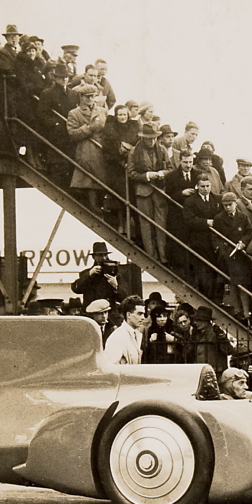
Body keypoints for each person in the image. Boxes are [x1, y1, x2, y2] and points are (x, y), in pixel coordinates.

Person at [127, 123, 171, 262]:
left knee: (161, 224)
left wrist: (162, 173)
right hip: (143, 191)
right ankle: (151, 256)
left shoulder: (162, 149)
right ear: (143, 138)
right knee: (146, 225)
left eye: (154, 138)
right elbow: (131, 173)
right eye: (148, 139)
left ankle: (163, 257)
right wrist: (146, 176)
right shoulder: (134, 151)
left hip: (159, 191)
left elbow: (170, 168)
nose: (152, 141)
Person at [212, 192, 252, 320]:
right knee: (233, 282)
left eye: (230, 205)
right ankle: (237, 310)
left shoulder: (243, 217)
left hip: (240, 254)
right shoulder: (219, 218)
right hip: (227, 255)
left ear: (236, 203)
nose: (227, 208)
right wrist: (221, 249)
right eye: (225, 205)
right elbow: (215, 236)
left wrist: (243, 243)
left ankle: (246, 311)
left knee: (242, 283)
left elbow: (249, 232)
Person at [66, 83, 109, 212]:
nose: (90, 99)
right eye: (87, 97)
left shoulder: (103, 111)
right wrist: (89, 128)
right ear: (81, 97)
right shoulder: (74, 113)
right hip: (86, 149)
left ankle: (101, 203)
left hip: (101, 147)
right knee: (89, 177)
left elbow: (108, 130)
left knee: (102, 175)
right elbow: (72, 134)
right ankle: (93, 205)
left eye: (92, 96)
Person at [71, 242, 123, 308]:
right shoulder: (86, 273)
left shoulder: (115, 275)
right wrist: (89, 274)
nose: (104, 258)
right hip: (91, 313)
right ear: (94, 257)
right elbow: (76, 289)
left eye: (105, 255)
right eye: (100, 255)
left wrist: (116, 286)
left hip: (109, 314)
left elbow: (124, 299)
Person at [103, 295, 146, 365]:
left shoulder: (138, 334)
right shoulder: (117, 337)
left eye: (143, 314)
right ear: (128, 315)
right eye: (139, 314)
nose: (143, 318)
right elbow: (110, 367)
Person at [189, 306, 232, 375]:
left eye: (199, 320)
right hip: (201, 371)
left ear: (206, 321)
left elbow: (228, 350)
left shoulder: (216, 333)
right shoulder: (197, 334)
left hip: (215, 371)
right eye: (195, 320)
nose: (195, 323)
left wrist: (221, 338)